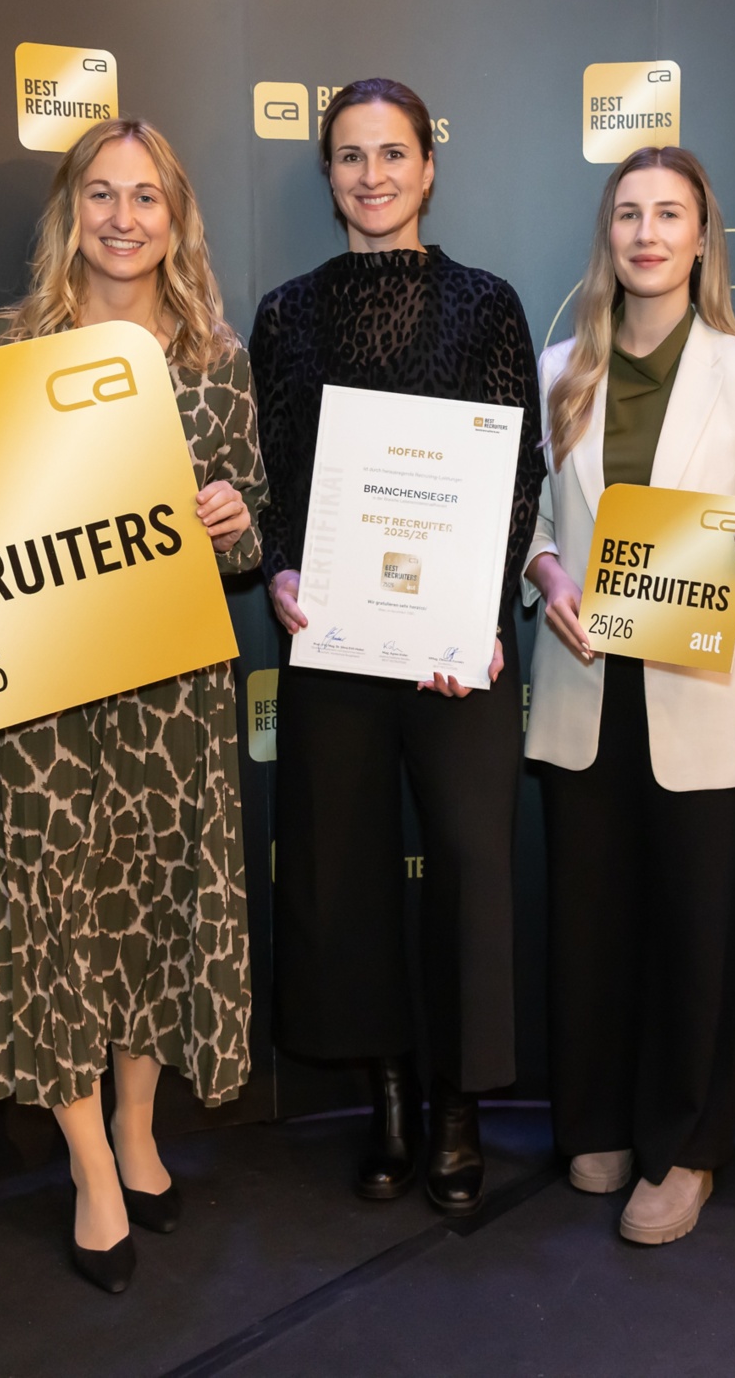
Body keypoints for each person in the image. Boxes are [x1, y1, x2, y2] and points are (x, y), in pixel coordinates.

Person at [0, 117, 267, 1293]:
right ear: (72, 212)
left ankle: (136, 1127)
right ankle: (91, 1165)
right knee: (56, 920)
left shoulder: (216, 358)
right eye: (102, 194)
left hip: (170, 695)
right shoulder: (2, 346)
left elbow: (249, 537)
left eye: (147, 197)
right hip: (41, 704)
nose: (125, 217)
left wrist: (234, 522)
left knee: (150, 912)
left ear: (175, 218)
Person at [250, 78, 543, 1216]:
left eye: (392, 154)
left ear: (428, 166)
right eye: (350, 156)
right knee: (342, 870)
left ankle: (458, 1108)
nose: (372, 175)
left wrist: (477, 610)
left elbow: (514, 471)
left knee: (471, 868)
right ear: (329, 176)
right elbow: (276, 473)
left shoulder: (487, 303)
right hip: (333, 640)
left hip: (455, 650)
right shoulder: (285, 314)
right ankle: (388, 1103)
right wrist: (282, 567)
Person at [522, 147, 735, 1245]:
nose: (647, 233)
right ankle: (592, 1119)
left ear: (699, 237)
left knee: (695, 935)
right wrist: (547, 578)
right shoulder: (558, 370)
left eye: (668, 214)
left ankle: (685, 1151)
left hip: (697, 688)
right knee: (588, 926)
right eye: (629, 213)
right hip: (583, 684)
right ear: (610, 234)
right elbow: (537, 525)